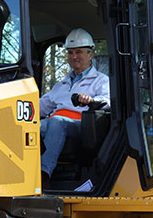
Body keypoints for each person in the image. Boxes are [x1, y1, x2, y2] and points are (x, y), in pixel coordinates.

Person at [39, 28, 110, 186]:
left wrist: (91, 99)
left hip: (81, 125)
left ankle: (43, 175)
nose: (74, 56)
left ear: (90, 54)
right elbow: (41, 106)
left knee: (57, 121)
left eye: (79, 52)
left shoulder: (100, 80)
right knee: (25, 128)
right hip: (53, 123)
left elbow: (107, 100)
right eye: (70, 52)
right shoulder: (61, 85)